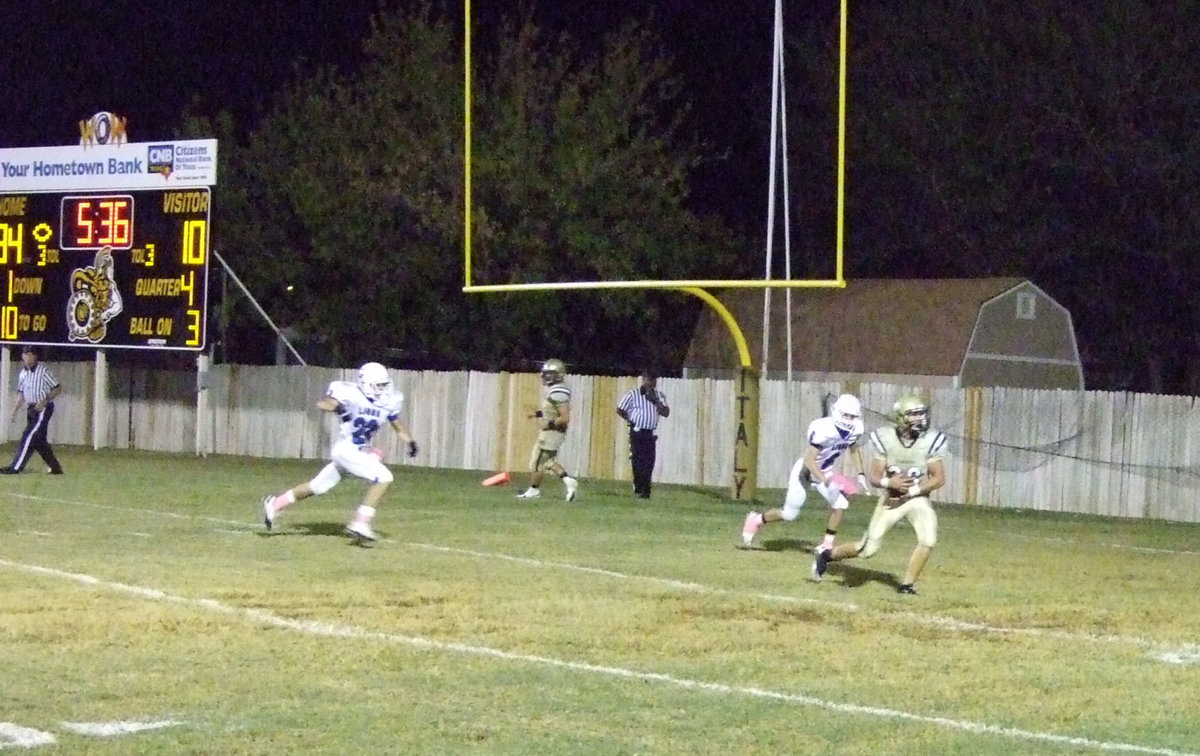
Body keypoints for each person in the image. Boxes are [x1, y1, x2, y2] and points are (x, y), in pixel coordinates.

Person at [260, 361, 418, 544]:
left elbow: (397, 425)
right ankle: (360, 522)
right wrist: (338, 407)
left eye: (384, 385)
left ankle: (275, 504)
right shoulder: (349, 393)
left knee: (318, 486)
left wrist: (410, 441)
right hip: (346, 449)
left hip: (357, 452)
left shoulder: (388, 402)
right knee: (384, 477)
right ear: (366, 383)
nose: (383, 389)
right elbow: (322, 403)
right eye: (379, 385)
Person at [812, 394, 948, 595]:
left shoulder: (929, 440)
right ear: (902, 418)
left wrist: (913, 491)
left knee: (928, 540)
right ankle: (827, 555)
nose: (920, 419)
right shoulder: (886, 438)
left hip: (917, 498)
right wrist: (889, 482)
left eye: (921, 414)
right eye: (914, 415)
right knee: (867, 550)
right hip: (891, 500)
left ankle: (907, 585)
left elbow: (938, 478)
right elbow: (875, 477)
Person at [740, 394, 867, 573]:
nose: (849, 420)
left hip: (825, 470)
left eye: (852, 416)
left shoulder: (855, 429)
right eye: (845, 415)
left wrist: (861, 472)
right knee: (789, 514)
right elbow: (809, 460)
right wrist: (825, 480)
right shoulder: (823, 429)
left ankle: (826, 545)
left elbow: (853, 449)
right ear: (836, 412)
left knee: (840, 504)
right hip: (806, 472)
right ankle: (756, 520)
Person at [516, 358, 579, 501]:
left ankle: (534, 490)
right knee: (548, 462)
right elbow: (551, 410)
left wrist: (548, 424)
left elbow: (564, 417)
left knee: (536, 462)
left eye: (550, 374)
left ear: (558, 375)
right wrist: (537, 414)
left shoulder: (559, 391)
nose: (546, 376)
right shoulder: (555, 391)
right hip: (552, 433)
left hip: (552, 433)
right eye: (546, 373)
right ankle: (569, 482)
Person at [2, 345, 64, 475]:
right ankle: (55, 468)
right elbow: (22, 394)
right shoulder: (23, 373)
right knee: (39, 441)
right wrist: (15, 410)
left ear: (35, 356)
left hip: (42, 408)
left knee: (29, 436)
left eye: (30, 354)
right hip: (31, 409)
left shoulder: (43, 371)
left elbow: (57, 388)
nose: (27, 357)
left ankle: (15, 467)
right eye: (25, 354)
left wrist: (45, 400)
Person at [616, 370, 670, 499]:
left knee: (649, 461)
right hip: (637, 431)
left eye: (653, 379)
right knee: (638, 460)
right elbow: (620, 409)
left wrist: (656, 402)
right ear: (644, 380)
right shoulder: (633, 394)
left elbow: (666, 413)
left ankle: (646, 490)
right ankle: (639, 487)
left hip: (650, 433)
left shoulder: (659, 395)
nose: (651, 382)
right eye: (649, 379)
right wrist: (631, 419)